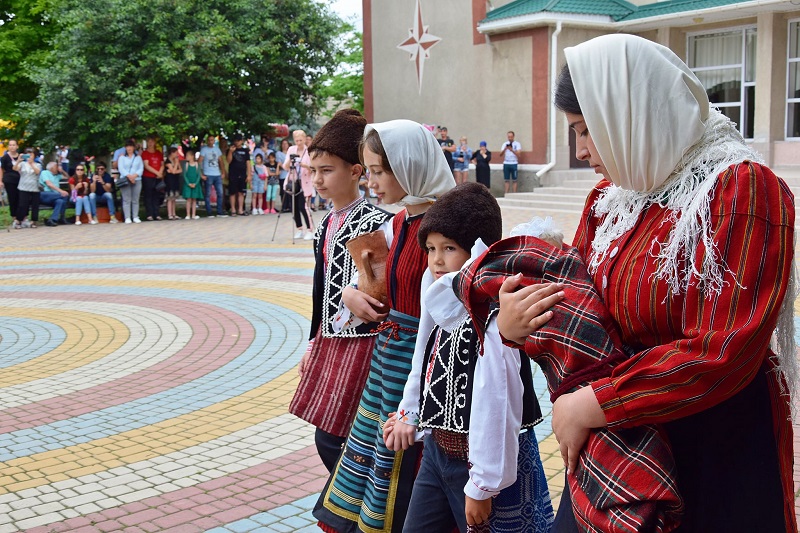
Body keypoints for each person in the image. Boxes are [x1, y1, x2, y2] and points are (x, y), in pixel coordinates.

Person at [499, 34, 798, 533]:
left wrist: (594, 404)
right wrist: (516, 320)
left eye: (587, 131)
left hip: (709, 443)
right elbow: (583, 300)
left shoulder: (739, 189)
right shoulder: (613, 198)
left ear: (631, 113)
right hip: (619, 443)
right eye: (574, 133)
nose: (580, 151)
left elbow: (724, 349)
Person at [313, 119, 456, 533]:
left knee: (406, 467)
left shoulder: (445, 230)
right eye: (370, 171)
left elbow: (450, 317)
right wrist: (350, 294)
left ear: (408, 165)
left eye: (378, 171)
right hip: (387, 359)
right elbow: (371, 283)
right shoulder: (397, 224)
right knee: (377, 460)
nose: (372, 182)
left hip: (422, 365)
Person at [385, 183, 554, 532]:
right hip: (436, 453)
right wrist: (409, 412)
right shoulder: (440, 296)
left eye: (449, 248)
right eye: (431, 248)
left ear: (478, 251)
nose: (437, 260)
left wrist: (482, 484)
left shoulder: (494, 315)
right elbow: (424, 357)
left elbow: (498, 401)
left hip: (482, 465)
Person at [288, 109, 394, 472]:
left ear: (355, 171)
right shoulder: (326, 224)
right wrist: (313, 341)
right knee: (329, 432)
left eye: (327, 170)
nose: (317, 180)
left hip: (363, 343)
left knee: (336, 436)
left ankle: (355, 508)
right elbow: (320, 291)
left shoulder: (376, 222)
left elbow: (382, 291)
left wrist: (354, 297)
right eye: (313, 172)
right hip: (332, 340)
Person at [283, 131, 313, 239]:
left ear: (305, 139)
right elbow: (285, 167)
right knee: (294, 207)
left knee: (303, 207)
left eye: (301, 140)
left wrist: (303, 164)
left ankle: (310, 229)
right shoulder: (291, 150)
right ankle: (299, 228)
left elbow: (312, 168)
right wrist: (291, 161)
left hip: (304, 182)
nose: (299, 142)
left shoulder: (309, 151)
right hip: (293, 182)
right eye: (297, 140)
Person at [12, 148, 42, 229]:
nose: (30, 156)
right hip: (23, 187)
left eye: (31, 154)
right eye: (28, 154)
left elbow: (37, 172)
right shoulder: (22, 164)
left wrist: (32, 163)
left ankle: (33, 221)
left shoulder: (38, 164)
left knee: (35, 205)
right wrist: (18, 160)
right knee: (22, 205)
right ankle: (19, 220)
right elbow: (14, 168)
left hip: (34, 188)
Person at [198, 135, 226, 218]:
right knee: (208, 194)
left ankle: (219, 212)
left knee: (220, 193)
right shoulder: (204, 150)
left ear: (214, 141)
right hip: (208, 174)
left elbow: (221, 161)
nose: (210, 141)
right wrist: (201, 173)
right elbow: (199, 162)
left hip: (217, 174)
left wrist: (223, 172)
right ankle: (209, 212)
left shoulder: (217, 150)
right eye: (209, 140)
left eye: (212, 140)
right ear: (207, 141)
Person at [117, 139, 143, 224]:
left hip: (137, 180)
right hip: (126, 180)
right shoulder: (122, 157)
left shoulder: (138, 157)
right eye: (127, 146)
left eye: (131, 146)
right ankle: (127, 217)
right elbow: (121, 169)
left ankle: (135, 216)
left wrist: (134, 176)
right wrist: (129, 176)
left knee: (135, 199)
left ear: (134, 147)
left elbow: (140, 169)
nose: (129, 148)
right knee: (126, 199)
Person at [227, 133, 251, 216]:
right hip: (233, 174)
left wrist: (249, 175)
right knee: (232, 192)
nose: (237, 142)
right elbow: (228, 161)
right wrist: (230, 152)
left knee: (241, 192)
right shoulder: (231, 150)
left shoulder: (245, 151)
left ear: (241, 141)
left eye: (238, 141)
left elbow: (248, 163)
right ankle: (233, 209)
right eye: (235, 141)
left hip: (242, 174)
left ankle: (240, 209)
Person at [141, 135, 164, 221]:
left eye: (152, 142)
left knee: (157, 195)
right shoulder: (145, 153)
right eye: (149, 142)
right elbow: (146, 165)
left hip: (157, 177)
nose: (150, 143)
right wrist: (157, 172)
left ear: (154, 143)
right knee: (148, 196)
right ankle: (149, 214)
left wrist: (160, 172)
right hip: (148, 177)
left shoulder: (158, 153)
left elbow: (162, 164)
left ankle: (157, 214)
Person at [39, 162, 69, 227]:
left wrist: (62, 171)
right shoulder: (45, 172)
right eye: (56, 166)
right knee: (65, 195)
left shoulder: (57, 175)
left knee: (60, 201)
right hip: (45, 195)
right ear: (51, 168)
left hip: (55, 197)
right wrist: (61, 191)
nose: (58, 167)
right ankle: (62, 218)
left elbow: (67, 177)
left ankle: (53, 219)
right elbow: (49, 184)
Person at [1, 139, 22, 220]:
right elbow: (2, 170)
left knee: (21, 199)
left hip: (21, 180)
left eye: (13, 145)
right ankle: (14, 218)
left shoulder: (21, 156)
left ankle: (22, 217)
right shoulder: (5, 158)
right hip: (9, 180)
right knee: (12, 199)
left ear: (17, 146)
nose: (12, 147)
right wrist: (0, 181)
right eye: (10, 145)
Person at [182, 150, 203, 220]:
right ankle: (188, 214)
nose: (186, 157)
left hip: (195, 184)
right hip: (188, 184)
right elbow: (184, 175)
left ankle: (193, 214)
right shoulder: (186, 165)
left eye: (187, 156)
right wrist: (188, 183)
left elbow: (199, 175)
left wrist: (195, 183)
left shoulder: (197, 165)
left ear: (192, 156)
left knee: (194, 199)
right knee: (188, 199)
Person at [164, 147, 182, 220]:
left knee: (174, 198)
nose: (177, 154)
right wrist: (176, 164)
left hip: (175, 180)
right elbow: (174, 171)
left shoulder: (176, 160)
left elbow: (180, 170)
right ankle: (169, 214)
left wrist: (174, 170)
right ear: (172, 153)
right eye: (176, 153)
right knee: (170, 197)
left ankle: (174, 213)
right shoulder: (168, 162)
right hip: (169, 181)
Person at [276, 138, 290, 212]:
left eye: (286, 144)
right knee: (283, 191)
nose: (284, 145)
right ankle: (284, 206)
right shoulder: (279, 153)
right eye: (283, 144)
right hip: (283, 175)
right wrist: (287, 168)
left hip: (290, 175)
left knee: (290, 191)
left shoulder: (290, 153)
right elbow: (279, 163)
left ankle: (290, 206)